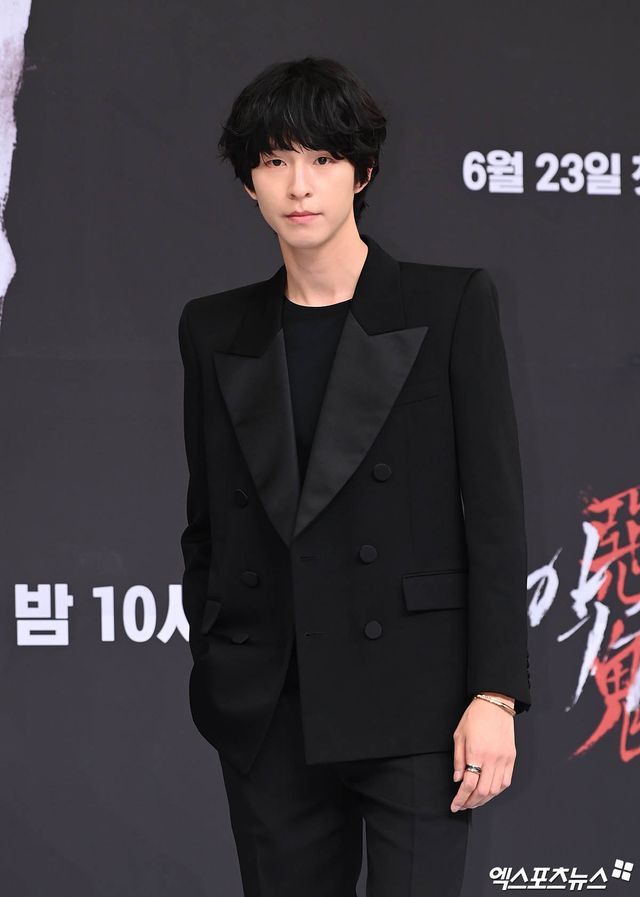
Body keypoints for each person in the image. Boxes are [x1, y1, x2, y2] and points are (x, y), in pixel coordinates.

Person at [178, 55, 531, 897]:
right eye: (274, 160)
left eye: (323, 158)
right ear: (249, 183)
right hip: (271, 706)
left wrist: (495, 694)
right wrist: (222, 653)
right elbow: (208, 522)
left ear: (361, 172)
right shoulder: (214, 328)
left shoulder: (447, 307)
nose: (299, 185)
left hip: (417, 702)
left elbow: (494, 514)